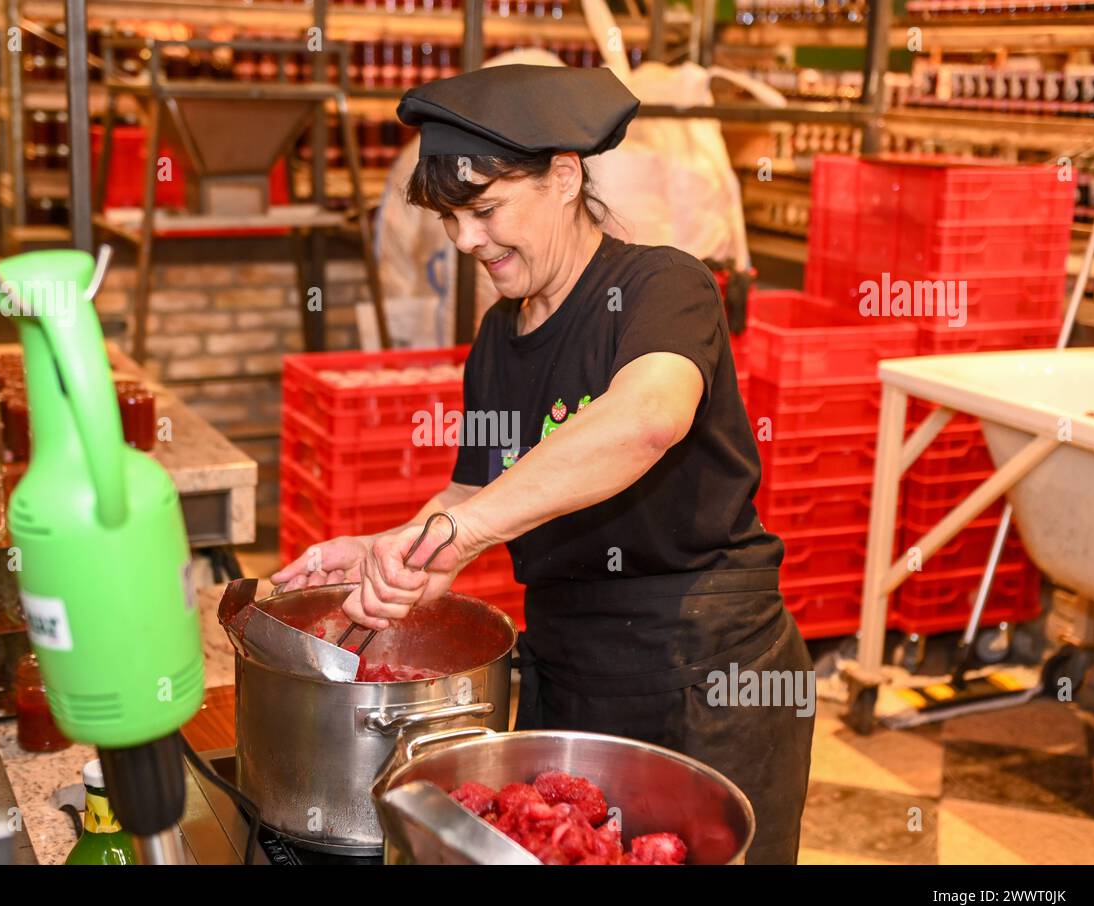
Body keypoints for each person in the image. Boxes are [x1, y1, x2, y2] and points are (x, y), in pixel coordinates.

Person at [271, 64, 815, 864]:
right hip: (569, 671)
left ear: (564, 178)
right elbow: (478, 490)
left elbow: (645, 420)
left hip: (704, 671)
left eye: (486, 210)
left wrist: (461, 532)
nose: (465, 242)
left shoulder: (664, 284)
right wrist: (396, 545)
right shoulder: (499, 338)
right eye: (453, 220)